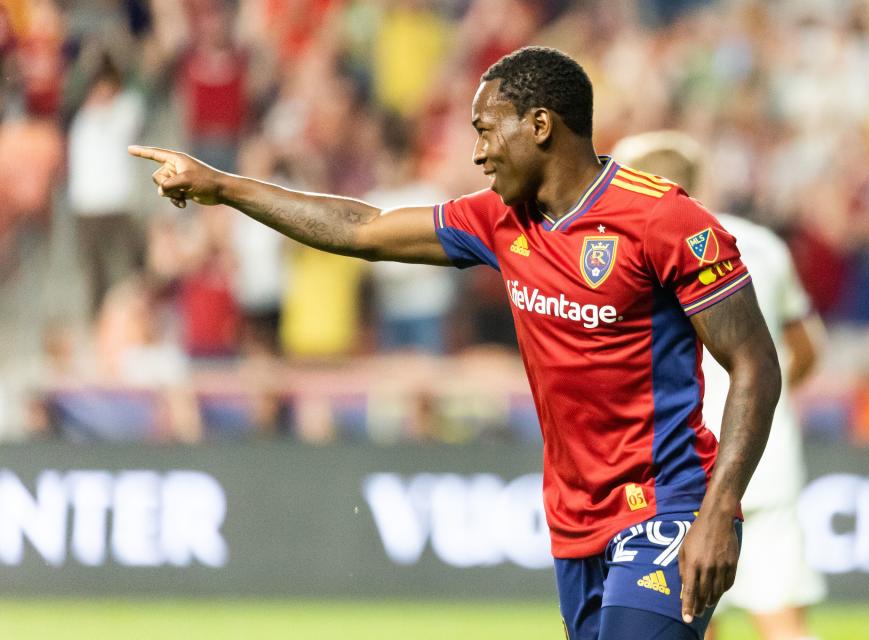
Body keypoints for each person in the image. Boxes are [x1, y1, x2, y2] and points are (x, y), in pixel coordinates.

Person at [130, 47, 781, 640]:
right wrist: (225, 188)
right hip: (574, 517)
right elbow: (363, 227)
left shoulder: (664, 221)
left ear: (541, 125)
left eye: (485, 128)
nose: (478, 152)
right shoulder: (500, 220)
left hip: (666, 502)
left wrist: (720, 508)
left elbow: (754, 364)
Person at [611, 130, 827, 640]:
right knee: (782, 622)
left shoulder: (629, 245)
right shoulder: (765, 245)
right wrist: (757, 405)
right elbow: (806, 350)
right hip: (764, 455)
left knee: (687, 616)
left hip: (680, 459)